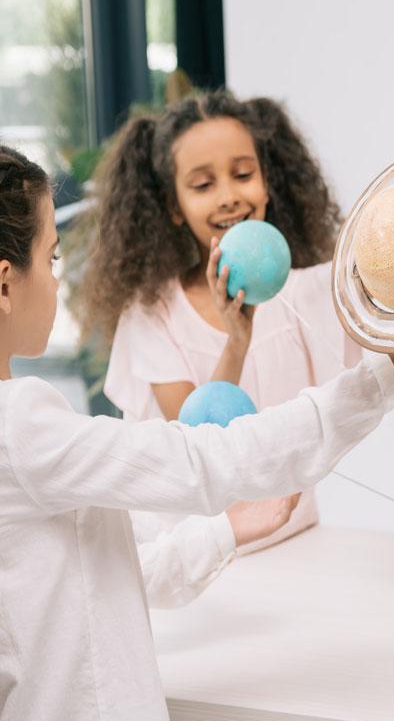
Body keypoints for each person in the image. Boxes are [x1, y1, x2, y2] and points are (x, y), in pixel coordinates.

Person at [0, 144, 394, 721]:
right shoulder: (20, 427)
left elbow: (124, 561)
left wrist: (226, 531)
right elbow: (205, 461)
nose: (58, 283)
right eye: (52, 260)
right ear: (5, 283)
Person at [79, 91, 358, 606]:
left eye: (243, 174)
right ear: (174, 207)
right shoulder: (151, 316)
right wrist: (238, 340)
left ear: (268, 183)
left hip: (295, 546)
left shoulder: (306, 292)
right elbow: (198, 448)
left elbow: (390, 277)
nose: (229, 196)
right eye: (203, 184)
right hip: (200, 571)